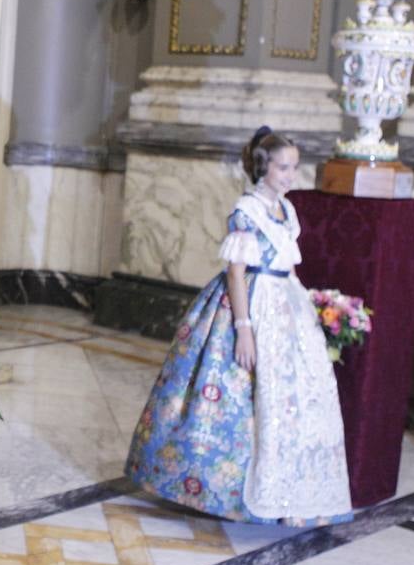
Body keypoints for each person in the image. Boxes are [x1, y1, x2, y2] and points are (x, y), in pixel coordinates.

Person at [126, 126, 352, 526]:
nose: (290, 175)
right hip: (250, 302)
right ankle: (231, 494)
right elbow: (236, 272)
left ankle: (292, 494)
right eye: (283, 168)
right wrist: (244, 328)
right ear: (263, 167)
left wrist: (305, 311)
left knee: (296, 399)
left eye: (295, 168)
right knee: (243, 394)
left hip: (286, 303)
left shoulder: (287, 210)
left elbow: (289, 266)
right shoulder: (246, 210)